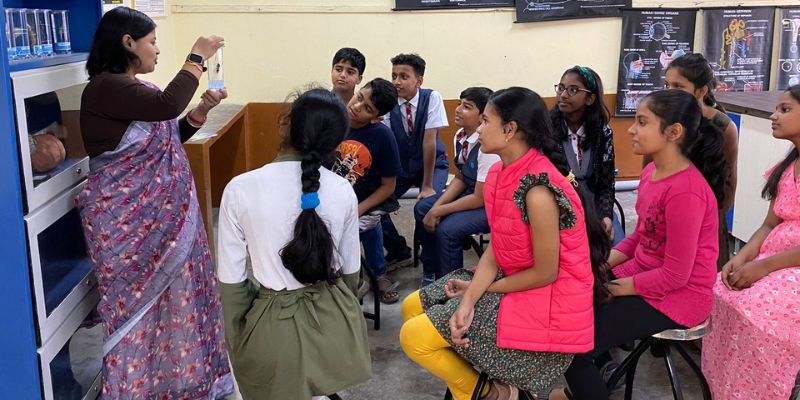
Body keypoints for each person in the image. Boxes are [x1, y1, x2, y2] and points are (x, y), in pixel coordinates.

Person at [400, 87, 611, 399]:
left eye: (486, 121)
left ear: (510, 130)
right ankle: (488, 389)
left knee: (414, 337)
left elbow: (546, 273)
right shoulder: (500, 173)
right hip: (516, 281)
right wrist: (470, 298)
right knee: (410, 307)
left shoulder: (538, 191)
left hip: (549, 304)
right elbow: (498, 248)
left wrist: (483, 291)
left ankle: (490, 393)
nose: (479, 129)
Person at [76, 7, 230, 399]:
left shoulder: (132, 90)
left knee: (175, 303)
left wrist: (200, 112)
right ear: (128, 43)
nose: (158, 50)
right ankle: (135, 388)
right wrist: (196, 56)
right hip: (129, 227)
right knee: (138, 311)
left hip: (164, 227)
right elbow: (166, 106)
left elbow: (165, 134)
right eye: (153, 42)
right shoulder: (105, 88)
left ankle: (175, 383)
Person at [557, 89, 727, 400]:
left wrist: (612, 287)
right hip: (646, 277)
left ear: (673, 132)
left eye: (642, 122)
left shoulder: (686, 192)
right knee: (568, 299)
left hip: (679, 297)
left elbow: (675, 276)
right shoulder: (652, 172)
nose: (631, 130)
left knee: (574, 347)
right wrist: (601, 265)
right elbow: (642, 235)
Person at [217, 88, 371, 399]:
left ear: (285, 123)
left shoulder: (240, 189)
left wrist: (240, 340)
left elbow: (231, 283)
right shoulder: (342, 190)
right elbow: (351, 275)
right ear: (335, 144)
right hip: (333, 329)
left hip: (271, 335)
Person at [702, 85, 800, 400]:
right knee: (721, 291)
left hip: (789, 267)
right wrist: (741, 257)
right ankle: (725, 390)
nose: (773, 116)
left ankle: (764, 391)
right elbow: (770, 223)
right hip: (773, 259)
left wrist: (762, 267)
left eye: (785, 110)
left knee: (754, 310)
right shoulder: (788, 167)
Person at [414, 87, 499, 285]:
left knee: (448, 229)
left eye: (467, 107)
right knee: (422, 208)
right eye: (459, 103)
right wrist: (435, 207)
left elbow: (479, 198)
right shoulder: (460, 136)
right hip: (470, 192)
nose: (458, 109)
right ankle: (432, 270)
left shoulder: (487, 146)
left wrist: (440, 211)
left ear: (482, 117)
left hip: (490, 205)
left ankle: (452, 286)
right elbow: (460, 178)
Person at [663, 53, 739, 268]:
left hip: (705, 219)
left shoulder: (723, 126)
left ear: (701, 91)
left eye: (678, 86)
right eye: (667, 85)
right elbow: (649, 171)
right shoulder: (660, 118)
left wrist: (714, 220)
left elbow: (729, 180)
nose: (670, 92)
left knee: (699, 273)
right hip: (665, 214)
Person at [331, 78, 402, 303]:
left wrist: (358, 209)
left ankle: (377, 273)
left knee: (369, 224)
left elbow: (388, 186)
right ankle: (350, 276)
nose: (357, 106)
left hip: (366, 203)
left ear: (377, 117)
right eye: (359, 97)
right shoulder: (332, 123)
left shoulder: (383, 136)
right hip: (331, 202)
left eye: (368, 109)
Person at [381, 53, 450, 274]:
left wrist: (427, 185)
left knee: (425, 206)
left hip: (433, 165)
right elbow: (387, 141)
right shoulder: (388, 102)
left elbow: (429, 142)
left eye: (404, 76)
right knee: (374, 205)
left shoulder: (432, 98)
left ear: (419, 80)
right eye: (394, 76)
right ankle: (398, 250)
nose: (396, 82)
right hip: (402, 167)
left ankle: (430, 266)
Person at [551, 66, 620, 244]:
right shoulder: (547, 131)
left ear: (590, 98)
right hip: (559, 209)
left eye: (573, 90)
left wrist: (605, 216)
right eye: (561, 88)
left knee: (616, 246)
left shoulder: (602, 133)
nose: (563, 95)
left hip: (595, 206)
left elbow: (606, 185)